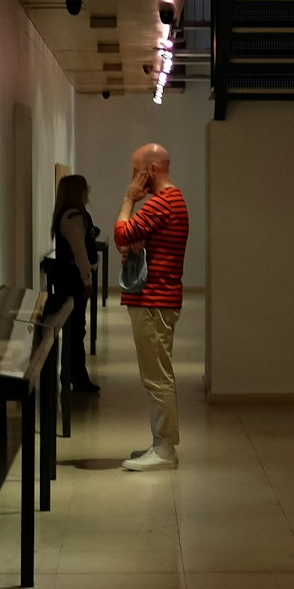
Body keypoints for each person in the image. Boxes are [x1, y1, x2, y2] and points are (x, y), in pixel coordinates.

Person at [113, 143, 189, 470]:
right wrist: (131, 243)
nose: (133, 179)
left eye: (136, 172)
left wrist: (129, 199)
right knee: (157, 372)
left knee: (156, 375)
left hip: (153, 302)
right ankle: (161, 442)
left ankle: (164, 449)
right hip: (156, 300)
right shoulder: (170, 202)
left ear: (152, 170)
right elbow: (130, 241)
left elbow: (122, 233)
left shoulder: (162, 203)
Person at [50, 174, 100, 394]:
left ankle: (71, 373)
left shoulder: (67, 215)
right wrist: (86, 279)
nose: (87, 191)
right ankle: (77, 376)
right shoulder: (73, 217)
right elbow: (80, 253)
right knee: (76, 329)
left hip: (67, 279)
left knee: (74, 328)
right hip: (74, 280)